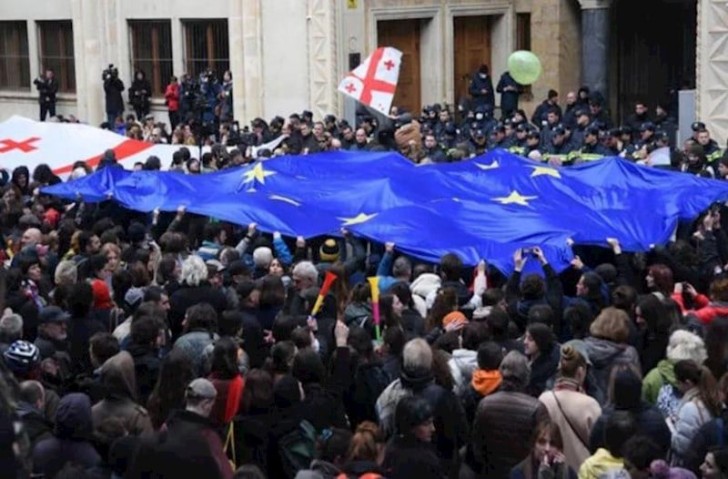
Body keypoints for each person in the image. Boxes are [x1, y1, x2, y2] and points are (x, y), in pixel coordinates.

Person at [539, 341, 602, 471]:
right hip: (583, 471)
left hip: (550, 470)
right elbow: (600, 447)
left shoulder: (543, 399)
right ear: (580, 371)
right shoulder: (590, 404)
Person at [381, 395, 445, 479]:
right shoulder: (427, 460)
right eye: (426, 424)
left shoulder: (389, 449)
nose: (433, 429)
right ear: (410, 427)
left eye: (432, 422)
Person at [510, 420, 577, 479]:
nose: (547, 449)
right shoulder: (520, 472)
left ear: (559, 449)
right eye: (542, 442)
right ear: (534, 445)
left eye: (552, 444)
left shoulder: (569, 473)